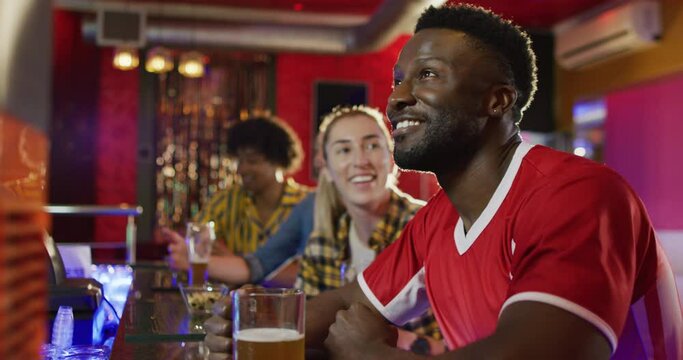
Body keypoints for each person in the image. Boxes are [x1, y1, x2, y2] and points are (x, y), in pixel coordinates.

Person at [205, 4, 682, 359]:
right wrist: (256, 324)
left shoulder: (577, 195)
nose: (396, 98)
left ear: (497, 101)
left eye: (427, 75)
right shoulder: (438, 220)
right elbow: (352, 301)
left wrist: (374, 355)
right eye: (397, 80)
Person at [298, 105, 443, 353]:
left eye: (372, 145)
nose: (360, 161)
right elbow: (305, 334)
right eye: (344, 149)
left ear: (391, 159)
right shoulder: (322, 244)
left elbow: (461, 344)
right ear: (327, 169)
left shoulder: (429, 226)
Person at [164, 116, 312, 284]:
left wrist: (235, 263)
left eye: (252, 161)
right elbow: (197, 242)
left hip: (290, 307)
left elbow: (305, 275)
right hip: (234, 305)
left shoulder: (306, 204)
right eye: (239, 161)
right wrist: (189, 246)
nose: (242, 169)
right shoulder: (227, 200)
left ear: (279, 161)